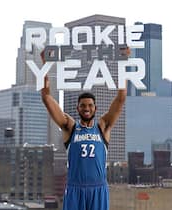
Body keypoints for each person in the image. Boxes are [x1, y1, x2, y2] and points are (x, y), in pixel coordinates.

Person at [40, 48, 129, 210]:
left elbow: (121, 98)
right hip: (75, 189)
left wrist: (123, 61)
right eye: (83, 105)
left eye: (89, 105)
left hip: (98, 188)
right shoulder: (70, 127)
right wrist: (44, 65)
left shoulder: (103, 126)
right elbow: (46, 98)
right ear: (78, 108)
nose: (86, 108)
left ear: (95, 108)